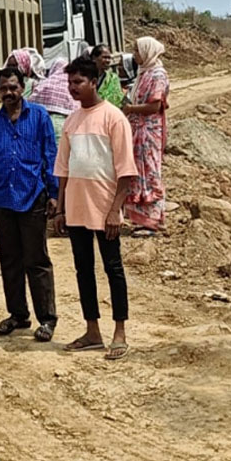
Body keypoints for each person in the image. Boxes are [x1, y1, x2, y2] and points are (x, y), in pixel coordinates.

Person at [53, 57, 138, 361]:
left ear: (93, 82)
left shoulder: (114, 118)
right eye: (70, 83)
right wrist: (60, 209)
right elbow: (62, 169)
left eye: (78, 82)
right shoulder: (71, 121)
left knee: (113, 269)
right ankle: (92, 331)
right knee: (83, 270)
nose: (72, 88)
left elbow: (127, 171)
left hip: (105, 210)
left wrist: (116, 210)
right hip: (76, 209)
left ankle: (120, 333)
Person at [0, 66, 60, 342]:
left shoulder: (38, 116)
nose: (9, 93)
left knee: (36, 260)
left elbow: (50, 155)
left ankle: (47, 319)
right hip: (2, 200)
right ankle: (18, 314)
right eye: (3, 88)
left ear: (22, 87)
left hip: (32, 198)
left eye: (13, 87)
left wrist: (54, 193)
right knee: (10, 261)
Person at [121, 37, 170, 237]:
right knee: (138, 171)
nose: (135, 55)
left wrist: (131, 109)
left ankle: (152, 219)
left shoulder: (158, 75)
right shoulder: (144, 73)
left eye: (138, 51)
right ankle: (142, 218)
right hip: (138, 129)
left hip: (148, 131)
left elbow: (155, 105)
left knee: (149, 171)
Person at [29, 57, 80, 141]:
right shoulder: (72, 86)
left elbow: (31, 102)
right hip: (66, 125)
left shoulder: (45, 84)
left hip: (43, 123)